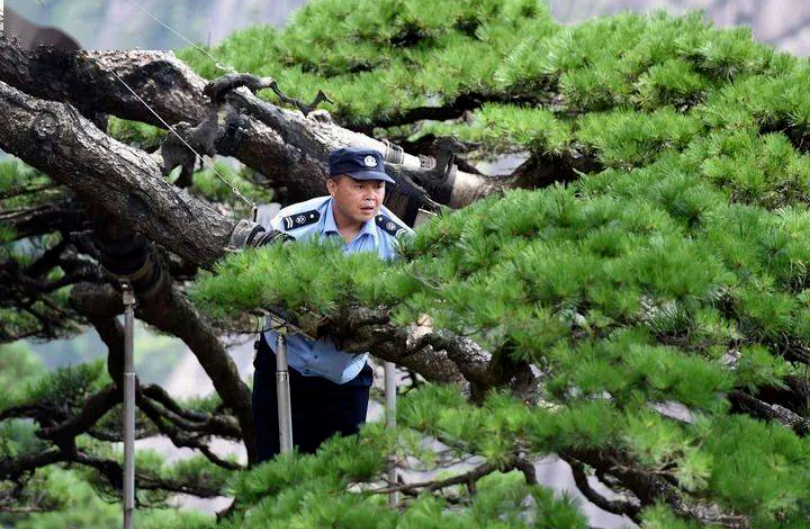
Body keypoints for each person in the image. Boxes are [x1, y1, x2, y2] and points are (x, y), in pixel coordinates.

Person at [252, 146, 413, 462]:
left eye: (378, 187)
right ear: (332, 186)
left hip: (344, 376)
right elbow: (259, 285)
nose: (371, 197)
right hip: (283, 364)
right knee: (274, 472)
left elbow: (420, 304)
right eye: (359, 185)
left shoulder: (399, 242)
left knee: (338, 479)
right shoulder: (292, 226)